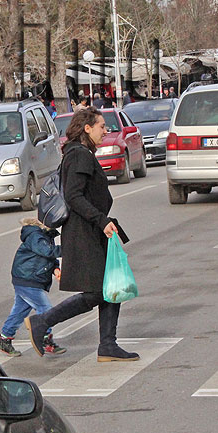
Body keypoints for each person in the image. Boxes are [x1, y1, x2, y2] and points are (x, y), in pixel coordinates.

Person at [25, 107, 139, 361]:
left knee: (111, 287)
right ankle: (42, 321)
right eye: (102, 126)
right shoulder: (79, 155)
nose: (106, 131)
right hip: (84, 232)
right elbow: (74, 196)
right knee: (98, 291)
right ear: (87, 128)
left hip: (93, 230)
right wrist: (101, 220)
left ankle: (108, 345)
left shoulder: (81, 153)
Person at [0, 218, 66, 357]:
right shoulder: (35, 235)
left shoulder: (45, 236)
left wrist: (55, 268)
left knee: (19, 311)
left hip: (27, 279)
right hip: (27, 279)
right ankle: (45, 339)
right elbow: (48, 252)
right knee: (45, 309)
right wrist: (70, 248)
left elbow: (48, 257)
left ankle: (4, 338)